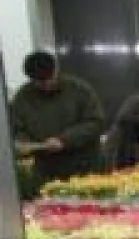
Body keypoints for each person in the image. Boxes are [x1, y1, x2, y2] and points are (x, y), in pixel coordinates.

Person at [11, 51, 105, 184]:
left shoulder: (79, 89)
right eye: (39, 81)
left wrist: (64, 140)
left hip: (84, 168)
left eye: (49, 78)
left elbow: (95, 123)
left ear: (56, 71)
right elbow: (17, 128)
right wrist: (23, 142)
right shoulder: (22, 98)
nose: (45, 84)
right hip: (45, 172)